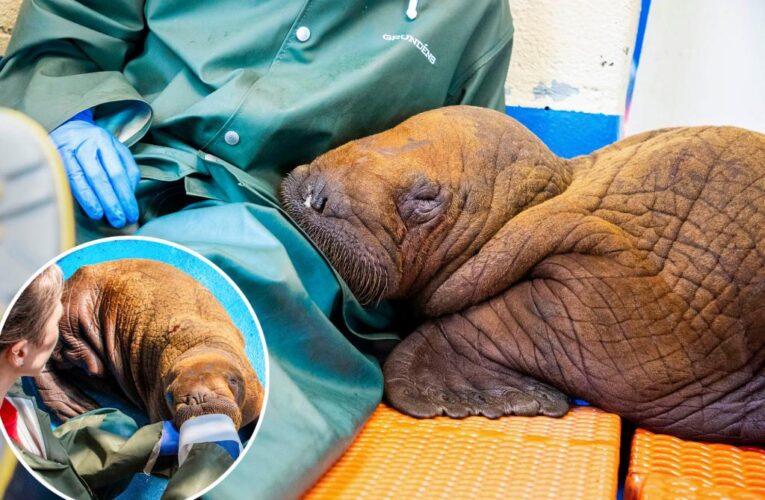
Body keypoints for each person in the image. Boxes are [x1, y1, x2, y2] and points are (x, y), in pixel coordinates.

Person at [0, 1, 515, 496]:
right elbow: (62, 33)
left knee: (220, 329)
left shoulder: (468, 16)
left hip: (279, 229)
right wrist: (69, 116)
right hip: (117, 165)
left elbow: (471, 196)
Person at [0, 264, 236, 499]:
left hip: (41, 451)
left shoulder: (10, 387)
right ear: (20, 352)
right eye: (54, 322)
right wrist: (210, 460)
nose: (57, 328)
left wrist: (156, 441)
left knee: (114, 425)